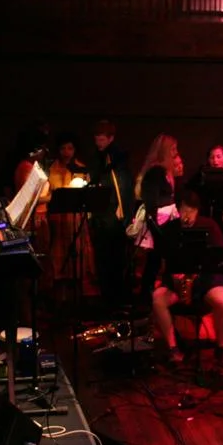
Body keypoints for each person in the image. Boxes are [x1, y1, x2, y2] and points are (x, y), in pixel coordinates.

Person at [150, 190, 223, 367]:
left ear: (198, 211)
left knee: (222, 299)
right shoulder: (171, 229)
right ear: (179, 209)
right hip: (178, 282)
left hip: (205, 281)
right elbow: (164, 260)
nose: (187, 216)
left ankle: (222, 347)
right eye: (184, 211)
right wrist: (175, 275)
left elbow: (218, 259)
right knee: (157, 299)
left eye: (191, 211)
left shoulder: (210, 226)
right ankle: (173, 349)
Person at [87, 119, 132, 307]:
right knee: (103, 261)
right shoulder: (97, 158)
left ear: (111, 138)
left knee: (115, 261)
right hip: (101, 217)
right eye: (97, 139)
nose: (99, 143)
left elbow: (121, 189)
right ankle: (107, 299)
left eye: (102, 139)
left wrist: (124, 216)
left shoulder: (117, 158)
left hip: (114, 217)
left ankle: (117, 300)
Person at [46, 131, 96, 297]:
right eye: (63, 148)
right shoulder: (51, 168)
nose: (66, 152)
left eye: (70, 148)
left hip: (75, 220)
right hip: (58, 220)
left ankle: (78, 297)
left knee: (78, 261)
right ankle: (60, 298)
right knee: (60, 259)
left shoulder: (81, 168)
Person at [133, 134, 184, 297]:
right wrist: (156, 229)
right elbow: (151, 203)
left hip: (167, 223)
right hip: (160, 224)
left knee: (158, 262)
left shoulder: (164, 172)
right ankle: (147, 296)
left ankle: (156, 294)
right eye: (172, 149)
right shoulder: (155, 173)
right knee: (154, 262)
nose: (175, 153)